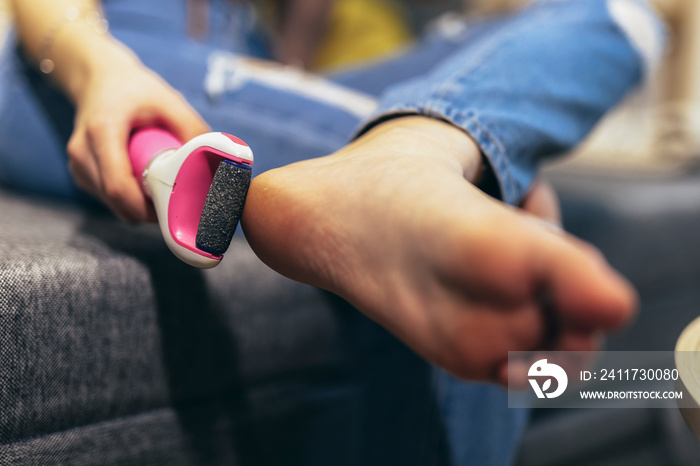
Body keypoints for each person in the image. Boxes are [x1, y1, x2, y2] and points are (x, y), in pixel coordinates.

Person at [1, 0, 661, 463]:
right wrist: (99, 68)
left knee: (619, 16)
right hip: (79, 52)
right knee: (495, 193)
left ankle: (413, 147)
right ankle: (415, 160)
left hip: (239, 58)